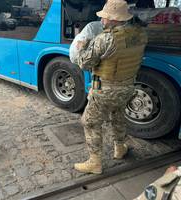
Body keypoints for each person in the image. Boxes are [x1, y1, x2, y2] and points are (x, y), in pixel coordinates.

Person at [74, 0, 148, 174]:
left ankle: (95, 163)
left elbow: (84, 64)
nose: (102, 20)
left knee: (90, 122)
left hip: (105, 90)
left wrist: (81, 48)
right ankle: (120, 148)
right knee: (118, 116)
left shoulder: (105, 38)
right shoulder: (141, 34)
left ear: (114, 19)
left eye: (105, 17)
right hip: (128, 87)